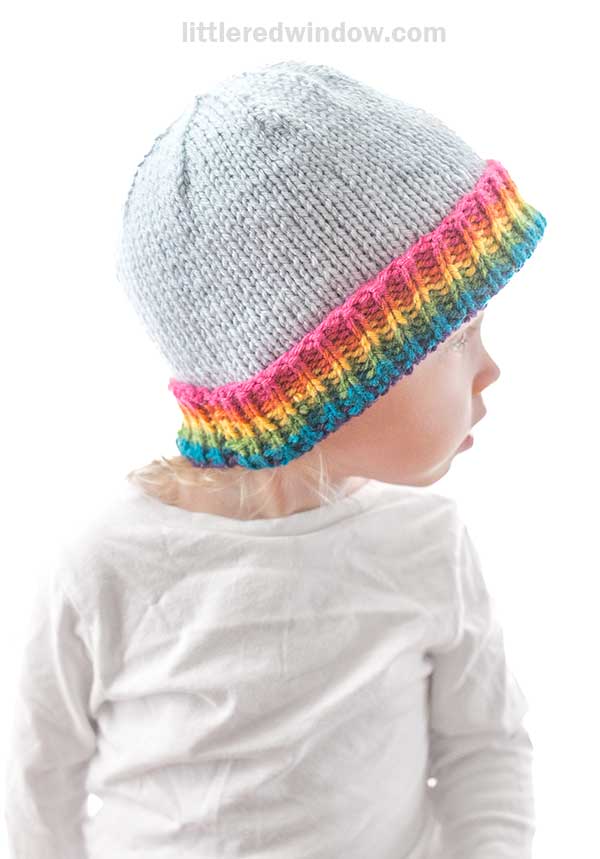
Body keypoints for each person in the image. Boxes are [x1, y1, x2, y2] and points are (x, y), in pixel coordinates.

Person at [3, 60, 547, 858]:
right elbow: (35, 788)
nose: (490, 368)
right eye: (457, 333)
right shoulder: (106, 569)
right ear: (325, 378)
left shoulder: (428, 547)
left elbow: (486, 752)